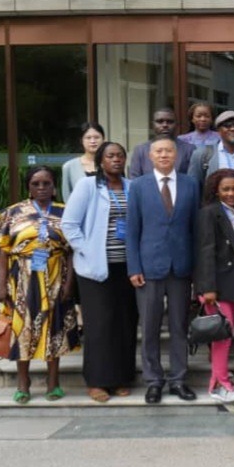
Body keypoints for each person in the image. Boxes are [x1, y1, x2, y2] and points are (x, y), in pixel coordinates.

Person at [61, 142, 139, 403]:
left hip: (127, 267)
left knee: (126, 323)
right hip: (95, 268)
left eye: (120, 155)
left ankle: (121, 378)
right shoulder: (87, 186)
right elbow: (69, 224)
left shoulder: (131, 187)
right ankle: (97, 381)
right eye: (110, 156)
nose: (116, 160)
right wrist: (87, 250)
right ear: (100, 161)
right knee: (100, 325)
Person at [126, 137, 201, 404]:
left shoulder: (191, 184)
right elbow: (132, 230)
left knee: (179, 326)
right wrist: (134, 266)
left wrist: (197, 270)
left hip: (181, 267)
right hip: (148, 267)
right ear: (150, 156)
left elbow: (196, 229)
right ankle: (154, 381)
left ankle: (178, 379)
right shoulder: (138, 186)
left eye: (168, 150)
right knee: (150, 327)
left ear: (176, 155)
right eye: (158, 151)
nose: (164, 155)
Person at [0, 166, 80, 404]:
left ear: (54, 187)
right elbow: (3, 251)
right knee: (22, 328)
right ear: (28, 187)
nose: (41, 188)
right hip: (22, 278)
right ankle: (23, 383)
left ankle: (53, 382)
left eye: (46, 183)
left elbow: (72, 251)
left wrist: (69, 284)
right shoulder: (13, 213)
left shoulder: (66, 212)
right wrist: (1, 285)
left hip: (56, 276)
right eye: (35, 184)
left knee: (55, 328)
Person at [195, 169, 234, 403]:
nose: (231, 193)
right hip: (216, 285)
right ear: (216, 191)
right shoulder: (209, 213)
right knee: (222, 337)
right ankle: (219, 385)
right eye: (226, 189)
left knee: (228, 333)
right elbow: (205, 251)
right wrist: (208, 288)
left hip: (233, 282)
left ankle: (222, 379)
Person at [128, 108, 197, 178]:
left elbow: (192, 180)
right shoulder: (140, 150)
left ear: (176, 124)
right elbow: (134, 179)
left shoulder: (189, 150)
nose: (165, 125)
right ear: (152, 125)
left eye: (170, 122)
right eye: (160, 122)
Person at [61, 122, 105, 202]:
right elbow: (67, 197)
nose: (93, 141)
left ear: (103, 139)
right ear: (81, 140)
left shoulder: (111, 164)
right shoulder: (69, 166)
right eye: (88, 138)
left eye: (97, 137)